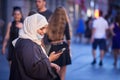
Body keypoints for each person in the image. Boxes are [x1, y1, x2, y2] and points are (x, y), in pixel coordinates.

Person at [10, 13, 61, 80]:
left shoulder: (28, 40)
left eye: (45, 28)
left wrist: (49, 64)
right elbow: (33, 69)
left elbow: (31, 62)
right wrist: (49, 60)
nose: (44, 31)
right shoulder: (27, 45)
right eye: (41, 28)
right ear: (32, 27)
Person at [47, 7, 71, 80]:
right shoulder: (65, 23)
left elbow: (48, 38)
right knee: (62, 74)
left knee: (54, 72)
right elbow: (68, 38)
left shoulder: (50, 23)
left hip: (52, 48)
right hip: (62, 48)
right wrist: (69, 48)